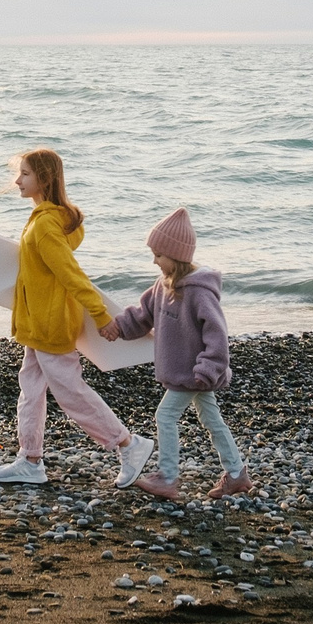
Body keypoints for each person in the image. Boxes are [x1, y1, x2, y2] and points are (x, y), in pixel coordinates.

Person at [0, 148, 155, 489]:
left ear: (44, 179)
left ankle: (128, 444)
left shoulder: (47, 225)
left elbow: (71, 275)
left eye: (25, 174)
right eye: (19, 173)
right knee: (31, 390)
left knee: (71, 393)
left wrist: (100, 315)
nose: (17, 180)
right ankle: (30, 460)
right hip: (37, 323)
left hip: (50, 324)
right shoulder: (45, 218)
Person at [100, 207, 252, 500]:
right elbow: (142, 316)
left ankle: (167, 477)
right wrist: (117, 327)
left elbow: (217, 334)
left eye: (159, 254)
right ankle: (236, 474)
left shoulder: (198, 291)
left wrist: (207, 369)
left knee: (165, 416)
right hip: (188, 375)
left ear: (177, 255)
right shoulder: (161, 287)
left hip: (194, 373)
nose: (154, 260)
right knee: (212, 420)